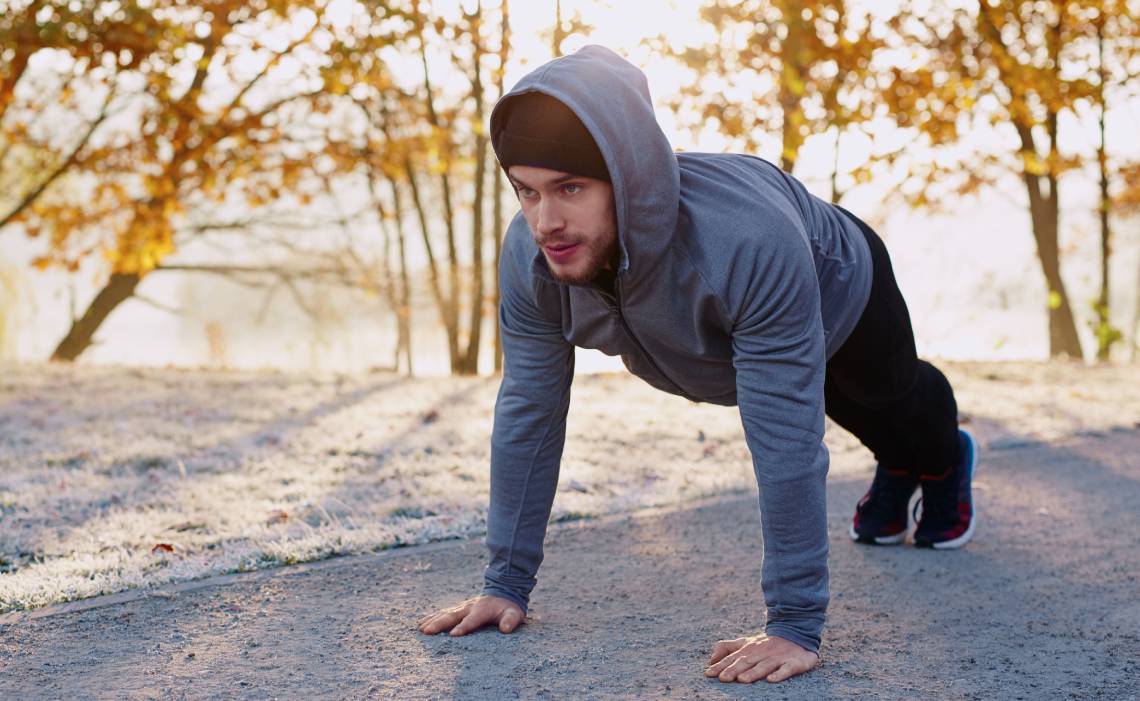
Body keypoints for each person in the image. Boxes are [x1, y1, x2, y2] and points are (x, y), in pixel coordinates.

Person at [417, 44, 978, 685]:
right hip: (738, 333)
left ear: (624, 178)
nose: (547, 221)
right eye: (528, 192)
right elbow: (529, 413)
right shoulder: (533, 261)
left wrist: (794, 624)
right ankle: (898, 465)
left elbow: (785, 437)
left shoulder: (744, 243)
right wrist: (505, 584)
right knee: (837, 399)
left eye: (570, 188)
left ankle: (939, 457)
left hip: (840, 281)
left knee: (878, 393)